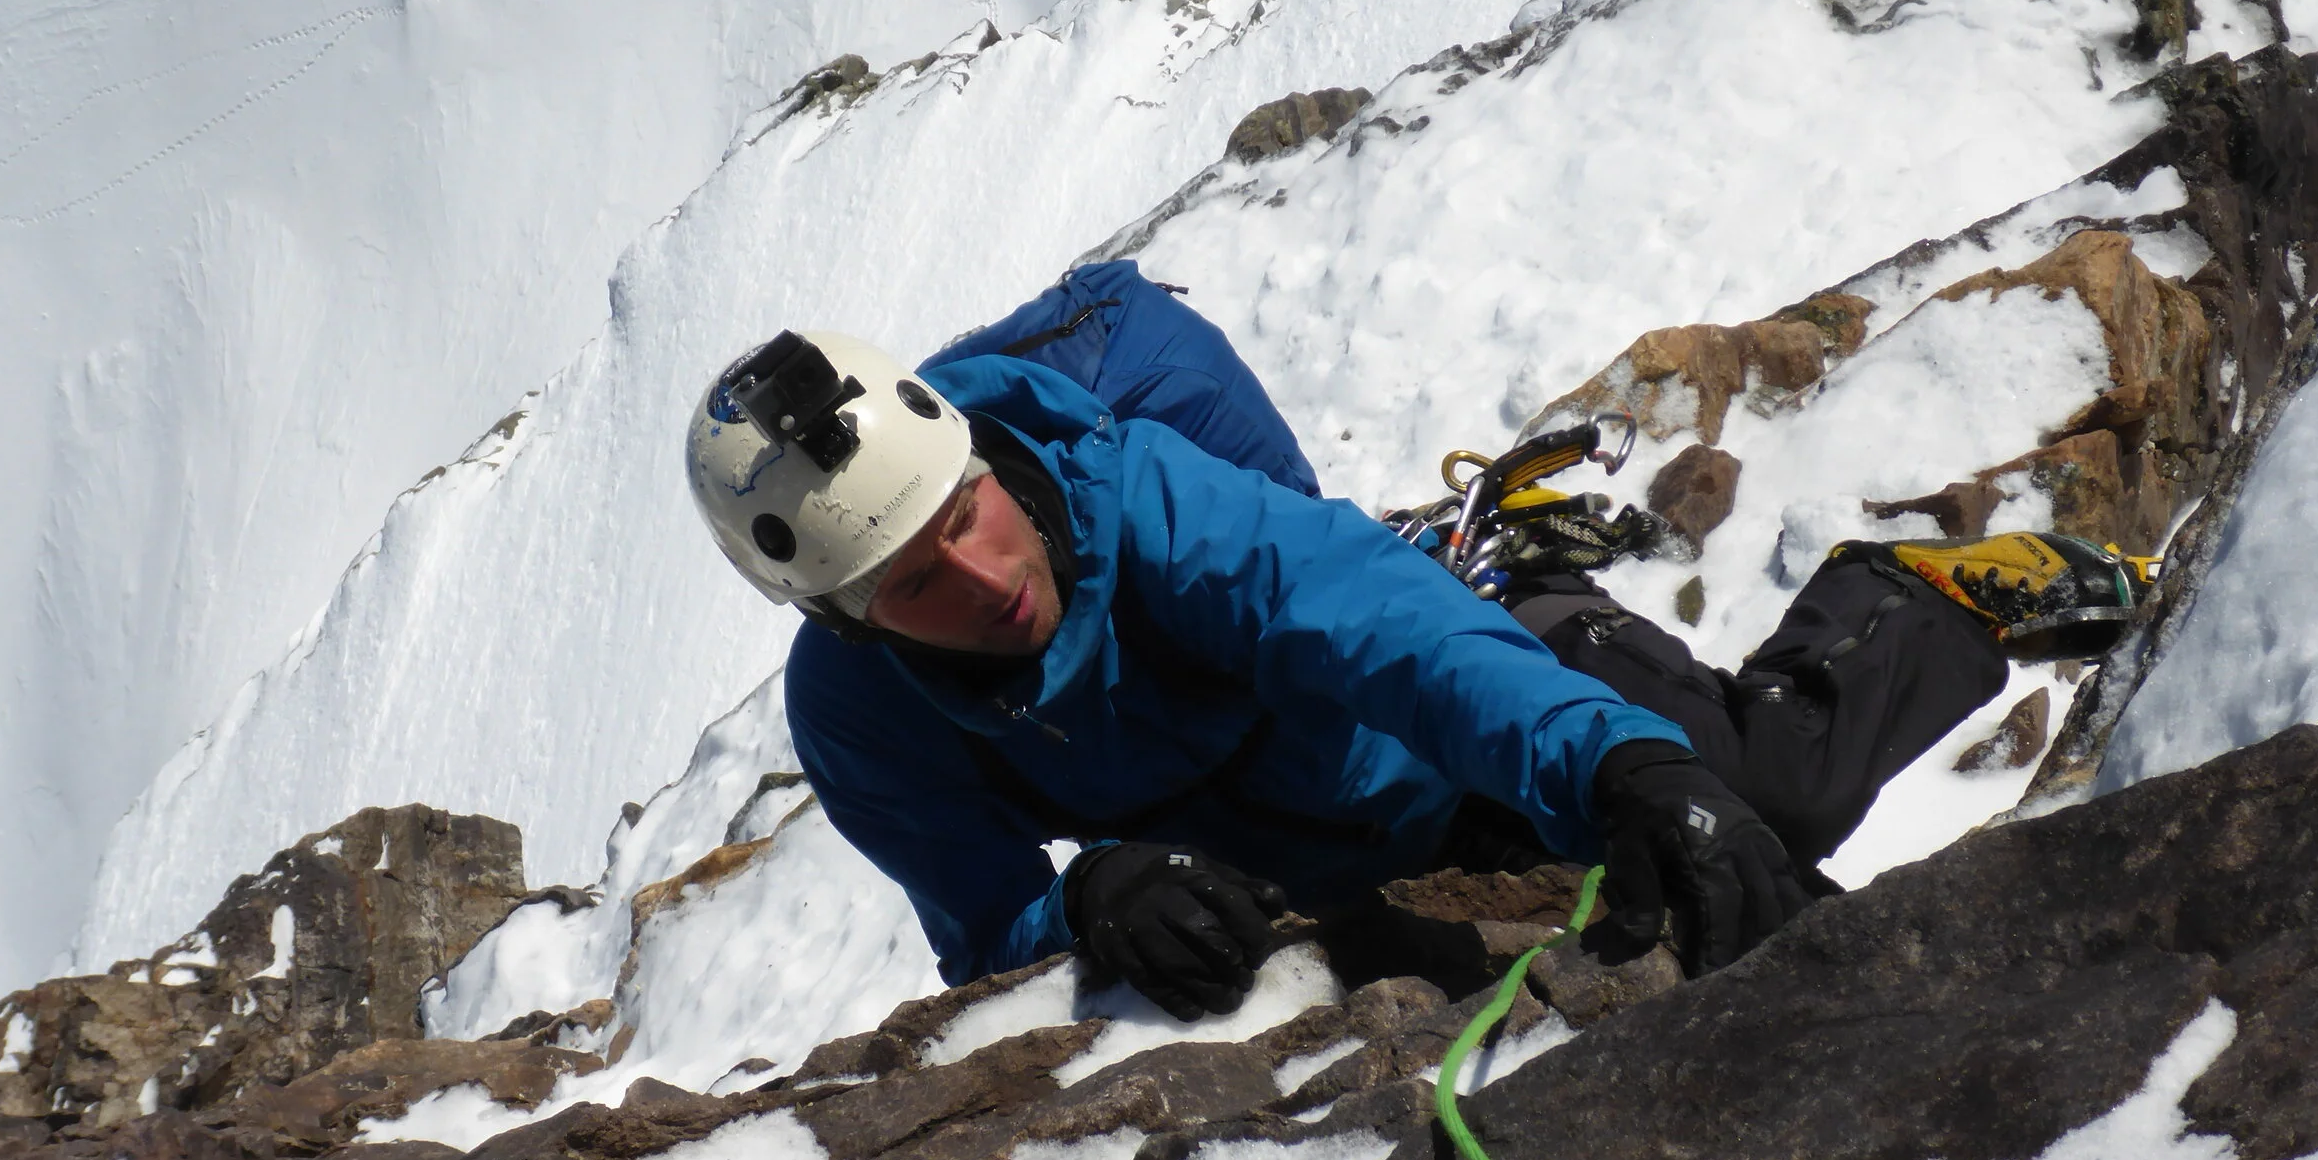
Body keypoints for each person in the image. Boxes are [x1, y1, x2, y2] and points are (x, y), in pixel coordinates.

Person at [685, 270, 2143, 1020]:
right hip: (1340, 851)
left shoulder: (1140, 498)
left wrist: (1621, 763)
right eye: (916, 582)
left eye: (970, 515)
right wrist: (1092, 904)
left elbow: (1383, 628)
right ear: (841, 615)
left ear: (981, 457)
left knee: (1769, 792)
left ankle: (1914, 597)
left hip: (1472, 676)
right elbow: (982, 927)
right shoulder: (862, 720)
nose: (984, 576)